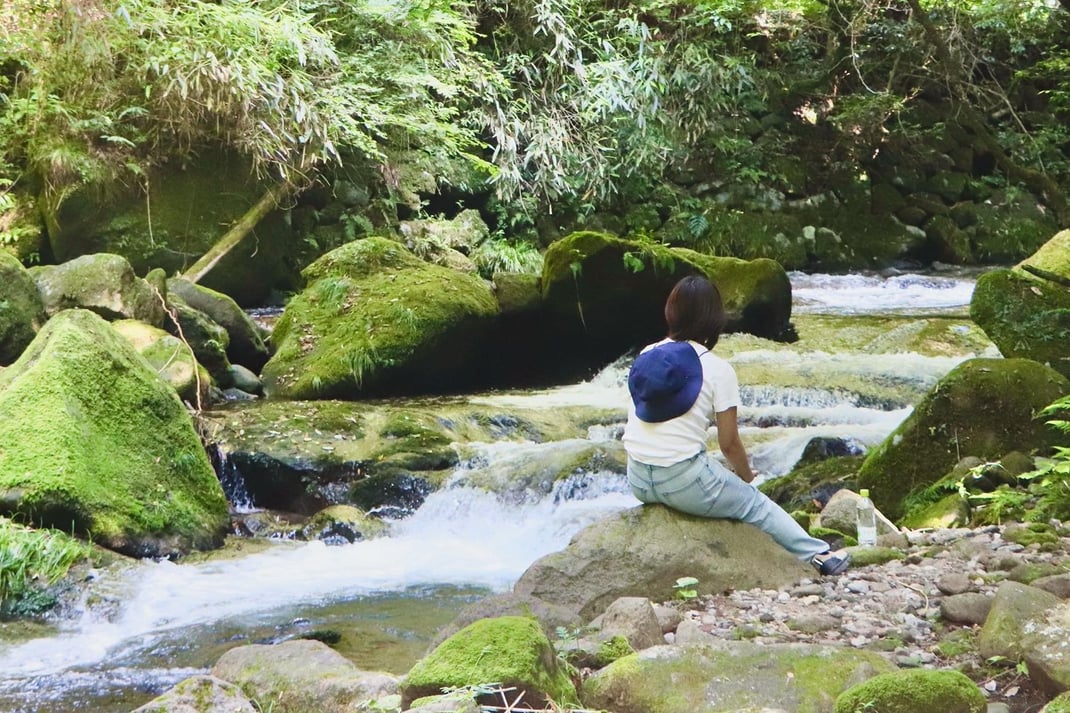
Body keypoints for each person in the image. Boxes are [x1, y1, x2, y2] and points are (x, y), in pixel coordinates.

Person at [622, 274, 850, 576]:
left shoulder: (647, 354)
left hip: (637, 478)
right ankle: (820, 556)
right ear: (714, 317)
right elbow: (729, 444)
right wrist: (745, 477)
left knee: (705, 467)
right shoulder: (717, 369)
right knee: (754, 504)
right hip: (683, 482)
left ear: (671, 312)